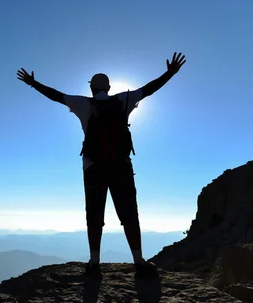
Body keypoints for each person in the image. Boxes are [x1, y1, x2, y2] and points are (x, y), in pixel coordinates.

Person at [16, 52, 186, 279]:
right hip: (121, 166)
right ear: (108, 87)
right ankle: (139, 262)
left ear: (92, 89)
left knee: (94, 214)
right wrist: (170, 73)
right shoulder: (124, 100)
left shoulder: (82, 104)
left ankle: (94, 263)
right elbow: (149, 88)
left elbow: (55, 95)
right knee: (129, 214)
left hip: (93, 167)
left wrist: (33, 83)